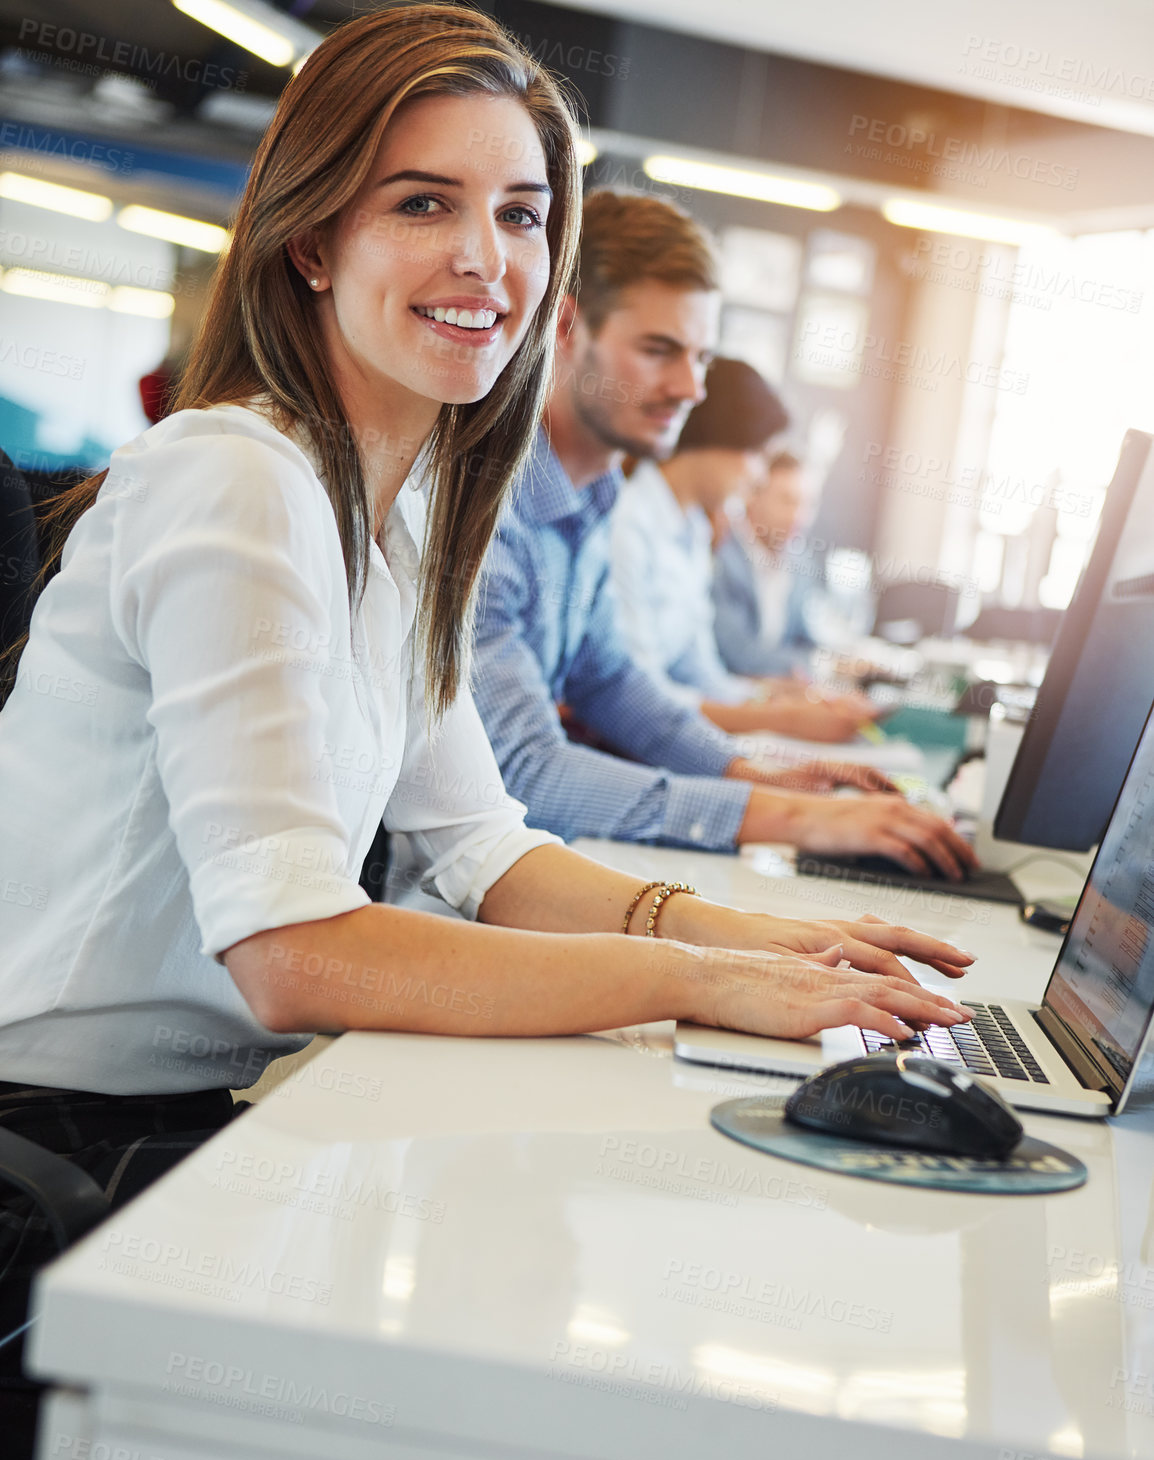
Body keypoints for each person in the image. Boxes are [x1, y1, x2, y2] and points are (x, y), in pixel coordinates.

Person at [0, 6, 975, 1193]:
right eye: (422, 203)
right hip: (48, 1145)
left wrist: (776, 943)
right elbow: (293, 953)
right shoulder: (233, 476)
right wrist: (700, 979)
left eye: (520, 213)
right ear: (312, 242)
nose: (485, 257)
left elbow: (482, 845)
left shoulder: (401, 511)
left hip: (182, 1113)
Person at [472, 187, 977, 872]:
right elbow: (524, 770)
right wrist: (792, 816)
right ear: (565, 330)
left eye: (702, 357)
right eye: (659, 349)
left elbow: (613, 682)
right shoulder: (487, 509)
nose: (691, 388)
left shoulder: (593, 497)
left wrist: (758, 776)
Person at [609, 360, 876, 741]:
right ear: (721, 440)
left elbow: (703, 675)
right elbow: (639, 698)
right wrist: (785, 720)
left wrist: (780, 698)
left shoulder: (694, 531)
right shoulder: (630, 523)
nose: (757, 477)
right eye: (759, 456)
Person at [713, 451, 818, 680]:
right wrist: (802, 667)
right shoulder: (721, 553)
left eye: (807, 504)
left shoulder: (799, 560)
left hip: (778, 692)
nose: (799, 516)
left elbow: (806, 641)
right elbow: (737, 655)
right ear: (754, 495)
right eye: (787, 501)